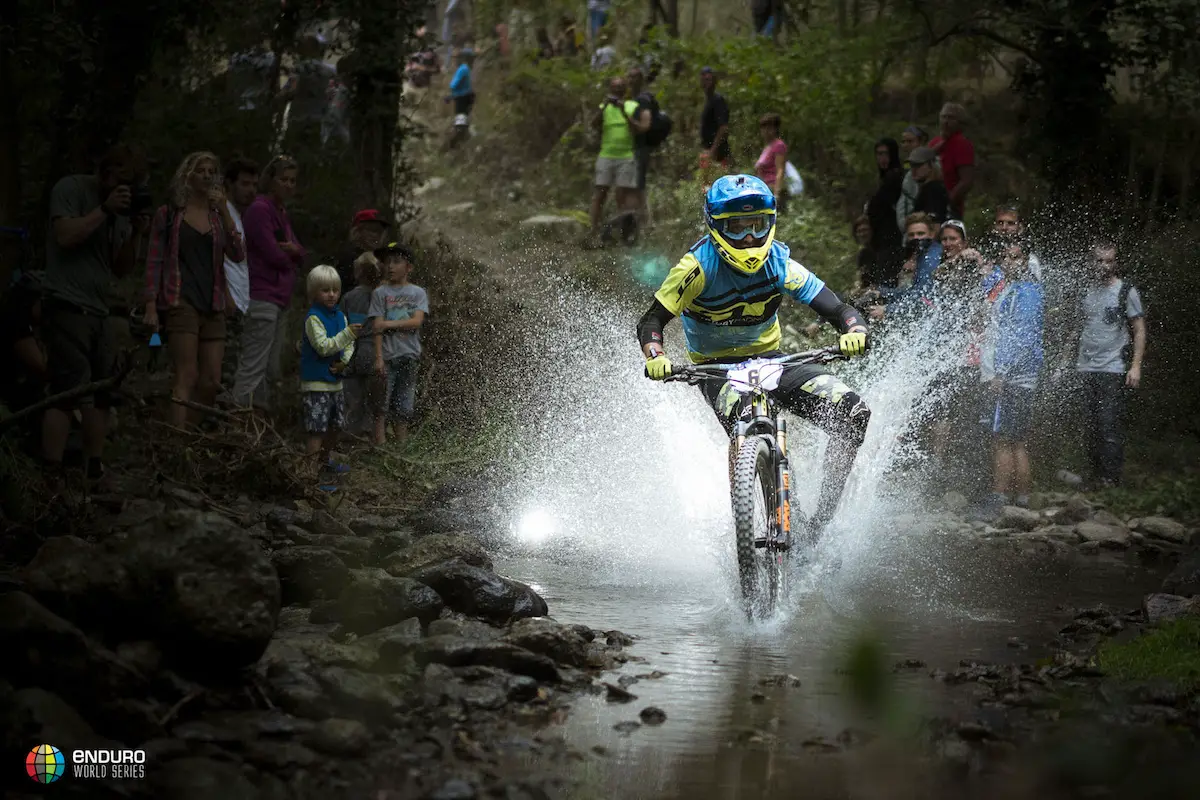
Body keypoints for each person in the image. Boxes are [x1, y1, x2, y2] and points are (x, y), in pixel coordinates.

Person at [637, 175, 871, 541]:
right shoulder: (696, 267)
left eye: (757, 225)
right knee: (745, 426)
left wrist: (854, 331)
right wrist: (656, 354)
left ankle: (822, 521)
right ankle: (744, 531)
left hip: (773, 361)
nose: (748, 237)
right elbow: (652, 320)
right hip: (717, 369)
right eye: (737, 227)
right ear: (717, 226)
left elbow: (837, 307)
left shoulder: (779, 261)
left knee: (853, 413)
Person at [41, 143, 150, 490]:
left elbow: (121, 268)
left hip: (101, 310)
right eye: (120, 180)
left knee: (105, 393)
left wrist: (136, 232)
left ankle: (94, 468)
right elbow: (65, 236)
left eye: (131, 183)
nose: (124, 188)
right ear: (104, 172)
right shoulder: (71, 188)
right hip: (67, 303)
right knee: (66, 391)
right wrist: (104, 209)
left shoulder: (121, 210)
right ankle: (51, 471)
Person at [144, 152, 245, 430]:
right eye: (200, 170)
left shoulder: (216, 217)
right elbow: (154, 261)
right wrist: (151, 304)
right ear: (187, 175)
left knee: (211, 381)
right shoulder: (169, 215)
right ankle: (178, 444)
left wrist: (225, 211)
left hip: (213, 303)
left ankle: (191, 436)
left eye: (211, 171)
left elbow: (237, 254)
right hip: (180, 299)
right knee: (186, 375)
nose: (206, 175)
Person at [973, 243, 1044, 517]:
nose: (1009, 262)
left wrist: (1001, 372)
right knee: (1014, 440)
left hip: (1014, 377)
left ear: (1026, 261)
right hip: (1019, 376)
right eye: (1006, 257)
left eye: (1015, 257)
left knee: (1005, 439)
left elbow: (1022, 338)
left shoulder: (1025, 292)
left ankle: (999, 498)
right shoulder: (1018, 289)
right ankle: (1022, 501)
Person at [231, 155, 305, 411]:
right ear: (270, 180)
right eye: (283, 179)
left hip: (280, 298)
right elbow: (272, 254)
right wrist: (291, 255)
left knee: (271, 369)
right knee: (253, 365)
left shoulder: (281, 212)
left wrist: (293, 251)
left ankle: (257, 421)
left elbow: (301, 252)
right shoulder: (259, 210)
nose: (288, 185)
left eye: (292, 181)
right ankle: (241, 417)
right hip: (262, 295)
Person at [1074, 240, 1145, 488]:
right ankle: (1093, 477)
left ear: (1116, 262)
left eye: (1109, 261)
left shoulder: (1126, 290)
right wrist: (1065, 361)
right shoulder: (1085, 291)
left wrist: (1135, 366)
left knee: (1108, 424)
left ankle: (1110, 480)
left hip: (1112, 367)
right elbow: (1078, 328)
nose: (1104, 266)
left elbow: (1139, 329)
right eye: (1099, 260)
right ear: (1091, 262)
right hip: (1085, 365)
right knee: (1090, 426)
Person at [301, 265, 361, 477]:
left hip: (335, 382)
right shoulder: (313, 318)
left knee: (335, 425)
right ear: (314, 292)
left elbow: (348, 345)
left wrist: (344, 361)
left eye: (335, 290)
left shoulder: (340, 316)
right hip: (316, 382)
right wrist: (347, 335)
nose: (331, 295)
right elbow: (323, 346)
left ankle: (324, 461)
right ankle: (309, 470)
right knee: (317, 428)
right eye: (325, 290)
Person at [370, 242, 429, 446]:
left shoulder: (417, 293)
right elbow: (376, 327)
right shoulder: (380, 293)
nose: (391, 267)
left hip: (409, 354)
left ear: (409, 267)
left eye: (397, 262)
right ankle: (381, 442)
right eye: (387, 262)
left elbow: (416, 321)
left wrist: (388, 323)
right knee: (382, 401)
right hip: (387, 355)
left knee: (404, 400)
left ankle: (401, 442)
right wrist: (378, 358)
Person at [588, 77, 640, 244]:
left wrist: (623, 110)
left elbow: (636, 129)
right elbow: (594, 124)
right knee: (599, 194)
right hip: (606, 155)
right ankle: (593, 231)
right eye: (614, 88)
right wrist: (604, 107)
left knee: (621, 195)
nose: (617, 91)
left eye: (620, 88)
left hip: (625, 156)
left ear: (625, 90)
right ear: (610, 90)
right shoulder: (605, 107)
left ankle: (623, 233)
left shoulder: (631, 106)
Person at [341, 252, 382, 439]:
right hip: (374, 348)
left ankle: (350, 433)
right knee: (373, 397)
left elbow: (341, 323)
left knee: (352, 395)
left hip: (352, 349)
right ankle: (369, 434)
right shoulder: (379, 296)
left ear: (357, 273)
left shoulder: (349, 297)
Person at [866, 138, 904, 288]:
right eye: (879, 154)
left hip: (893, 239)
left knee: (888, 281)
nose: (882, 159)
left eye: (885, 154)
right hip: (881, 239)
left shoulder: (896, 178)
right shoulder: (884, 178)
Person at [929, 103, 976, 219]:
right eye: (943, 117)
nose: (946, 121)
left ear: (960, 123)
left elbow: (966, 181)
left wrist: (949, 201)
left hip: (949, 208)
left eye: (951, 118)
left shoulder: (962, 144)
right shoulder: (935, 142)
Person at [626, 66, 656, 224]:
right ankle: (640, 221)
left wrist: (627, 119)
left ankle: (645, 222)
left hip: (641, 149)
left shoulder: (642, 100)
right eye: (629, 77)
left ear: (641, 80)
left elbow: (645, 125)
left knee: (638, 186)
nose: (631, 81)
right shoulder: (633, 99)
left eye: (635, 77)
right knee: (635, 186)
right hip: (634, 149)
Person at [335, 209, 389, 293]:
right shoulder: (348, 259)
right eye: (372, 230)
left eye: (380, 231)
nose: (377, 235)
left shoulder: (384, 258)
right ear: (358, 231)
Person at [698, 67, 731, 184]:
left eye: (709, 80)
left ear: (714, 81)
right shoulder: (708, 101)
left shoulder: (718, 100)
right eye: (704, 80)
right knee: (706, 187)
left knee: (719, 185)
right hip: (707, 152)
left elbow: (723, 127)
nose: (707, 83)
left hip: (718, 154)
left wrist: (713, 150)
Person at [896, 125, 929, 232]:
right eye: (903, 141)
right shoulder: (906, 170)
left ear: (921, 141)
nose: (906, 145)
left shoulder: (931, 166)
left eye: (910, 141)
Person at [755, 114, 789, 212]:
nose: (765, 131)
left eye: (769, 127)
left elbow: (780, 170)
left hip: (772, 189)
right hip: (764, 190)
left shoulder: (779, 145)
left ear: (775, 129)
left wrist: (776, 194)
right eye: (763, 127)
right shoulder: (768, 147)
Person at [908, 146, 950, 223]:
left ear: (931, 165)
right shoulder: (928, 188)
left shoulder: (933, 189)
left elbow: (935, 219)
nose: (913, 170)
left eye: (918, 165)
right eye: (912, 165)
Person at [446, 47, 475, 148]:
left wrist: (450, 95)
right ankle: (464, 139)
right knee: (464, 118)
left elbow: (454, 85)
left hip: (461, 98)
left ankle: (456, 142)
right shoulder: (467, 69)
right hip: (466, 97)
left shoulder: (462, 69)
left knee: (460, 120)